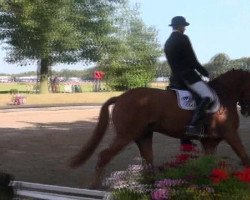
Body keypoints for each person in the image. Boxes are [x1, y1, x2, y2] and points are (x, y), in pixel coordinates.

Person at [164, 16, 215, 137]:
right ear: (180, 26)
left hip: (175, 78)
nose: (185, 28)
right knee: (208, 96)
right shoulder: (183, 38)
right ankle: (194, 126)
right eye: (184, 26)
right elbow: (193, 61)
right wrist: (207, 74)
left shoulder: (168, 42)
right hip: (188, 77)